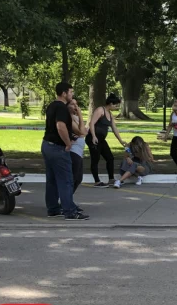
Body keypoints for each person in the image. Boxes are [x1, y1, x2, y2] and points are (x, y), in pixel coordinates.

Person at [41, 82, 87, 220]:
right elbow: (60, 127)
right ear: (64, 93)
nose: (72, 95)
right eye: (70, 92)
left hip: (47, 145)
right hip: (57, 148)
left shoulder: (51, 105)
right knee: (66, 180)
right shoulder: (61, 107)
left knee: (52, 180)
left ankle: (53, 209)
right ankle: (70, 211)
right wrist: (67, 143)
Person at [86, 94, 126, 188]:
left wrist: (121, 141)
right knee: (95, 159)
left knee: (110, 157)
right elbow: (92, 123)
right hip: (93, 138)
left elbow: (114, 128)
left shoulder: (110, 115)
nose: (117, 107)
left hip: (101, 139)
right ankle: (97, 181)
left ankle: (111, 179)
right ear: (111, 104)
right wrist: (93, 136)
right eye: (116, 105)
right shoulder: (100, 110)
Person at [67, 98, 87, 193]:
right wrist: (80, 115)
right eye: (72, 104)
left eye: (76, 104)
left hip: (79, 151)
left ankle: (68, 200)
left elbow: (84, 133)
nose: (76, 106)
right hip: (73, 150)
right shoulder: (69, 118)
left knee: (78, 178)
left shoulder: (76, 118)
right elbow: (82, 132)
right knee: (73, 178)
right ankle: (66, 201)